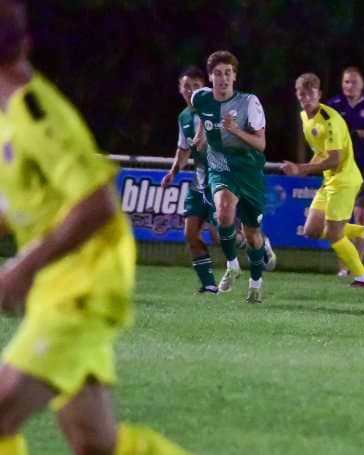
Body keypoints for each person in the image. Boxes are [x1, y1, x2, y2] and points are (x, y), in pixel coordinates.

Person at [0, 2, 188, 452]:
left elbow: (98, 204)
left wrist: (22, 269)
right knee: (95, 444)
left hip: (86, 279)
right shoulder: (8, 114)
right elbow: (27, 203)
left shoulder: (34, 112)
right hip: (59, 283)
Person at [282, 72, 364, 288]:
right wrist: (305, 170)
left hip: (344, 180)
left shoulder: (329, 120)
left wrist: (302, 169)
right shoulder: (304, 117)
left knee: (334, 234)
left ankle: (363, 278)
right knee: (311, 230)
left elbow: (335, 159)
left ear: (319, 94)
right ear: (297, 95)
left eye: (311, 94)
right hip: (329, 181)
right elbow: (321, 152)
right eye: (302, 94)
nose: (306, 99)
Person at [190, 50, 270, 304]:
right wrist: (201, 136)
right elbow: (202, 117)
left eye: (227, 73)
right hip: (220, 167)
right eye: (218, 74)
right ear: (210, 77)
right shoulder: (200, 98)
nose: (223, 79)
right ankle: (232, 265)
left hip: (249, 172)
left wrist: (235, 131)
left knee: (252, 234)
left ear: (235, 76)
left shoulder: (249, 103)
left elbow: (261, 144)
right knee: (223, 214)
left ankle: (256, 283)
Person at [161, 65, 222, 294]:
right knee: (190, 234)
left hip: (220, 177)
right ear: (180, 89)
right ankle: (209, 284)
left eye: (196, 86)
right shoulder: (184, 117)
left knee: (220, 235)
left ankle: (258, 246)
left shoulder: (215, 109)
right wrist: (173, 172)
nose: (190, 90)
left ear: (204, 89)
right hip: (199, 181)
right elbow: (183, 149)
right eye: (186, 86)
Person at [326, 67, 364, 272]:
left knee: (361, 215)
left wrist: (351, 134)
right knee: (339, 219)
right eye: (346, 82)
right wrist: (356, 134)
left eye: (354, 82)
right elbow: (329, 135)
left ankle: (357, 266)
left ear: (362, 84)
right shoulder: (334, 105)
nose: (349, 86)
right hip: (340, 168)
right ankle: (343, 268)